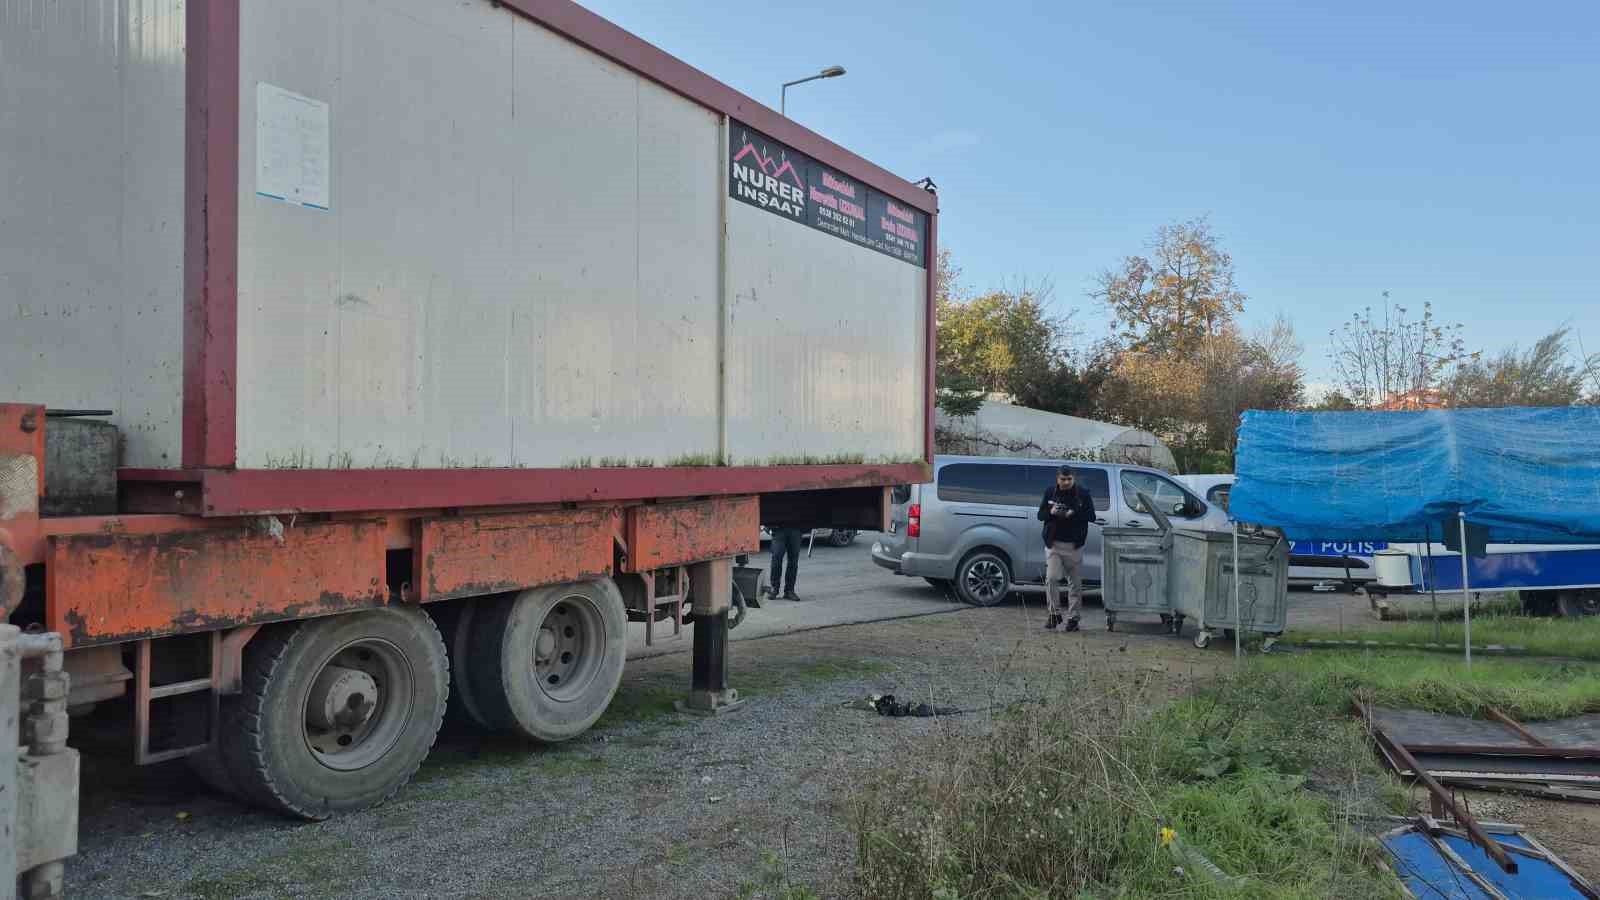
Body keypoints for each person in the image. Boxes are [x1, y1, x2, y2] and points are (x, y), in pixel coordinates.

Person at [1037, 465, 1096, 631]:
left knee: (1075, 584)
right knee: (1052, 578)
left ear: (1073, 478)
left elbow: (1092, 516)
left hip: (1074, 546)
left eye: (1069, 479)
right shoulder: (1050, 492)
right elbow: (1040, 515)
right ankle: (1054, 615)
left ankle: (1073, 619)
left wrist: (1073, 513)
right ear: (1057, 479)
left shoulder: (1083, 494)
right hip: (1053, 544)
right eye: (1063, 479)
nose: (1066, 482)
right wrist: (1052, 511)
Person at [766, 526, 805, 601]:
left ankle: (789, 591)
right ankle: (774, 588)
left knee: (793, 562)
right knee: (776, 558)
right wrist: (767, 528)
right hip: (778, 530)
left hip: (795, 529)